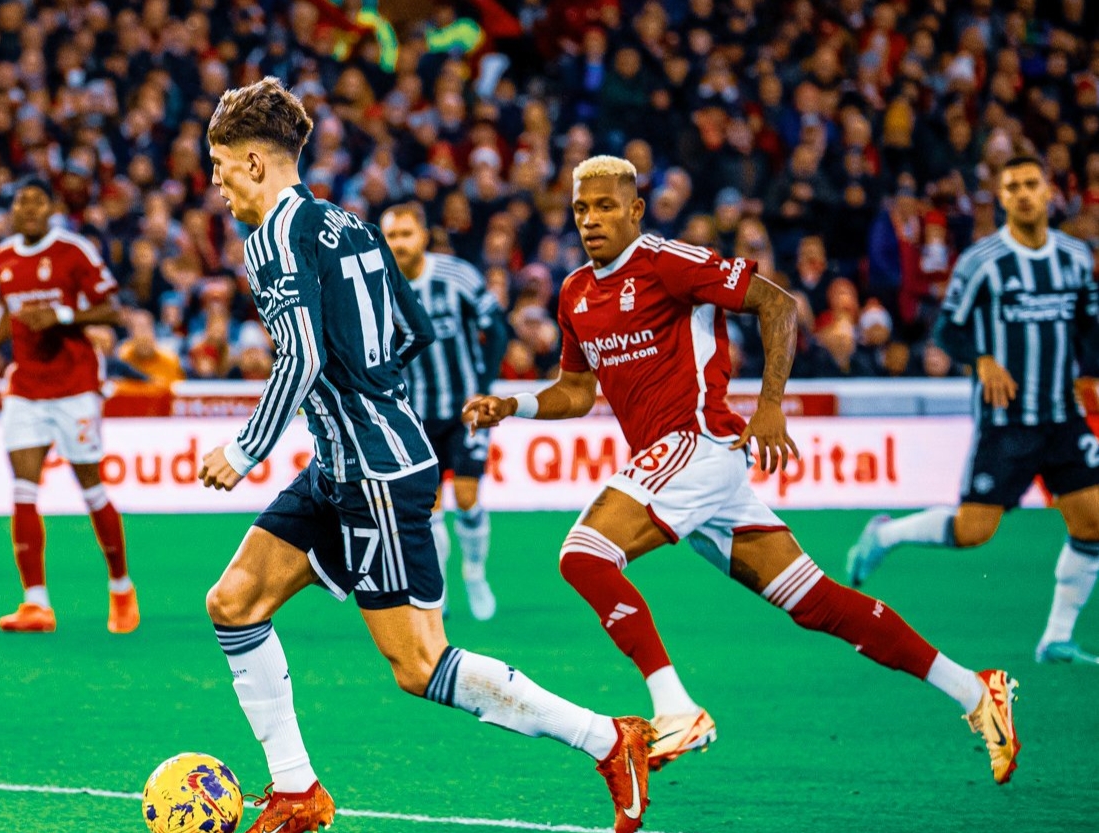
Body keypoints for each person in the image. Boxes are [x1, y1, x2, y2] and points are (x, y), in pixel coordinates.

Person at [196, 79, 655, 833]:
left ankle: (608, 739)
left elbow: (301, 357)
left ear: (252, 161)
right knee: (233, 602)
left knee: (418, 665)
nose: (215, 184)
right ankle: (295, 790)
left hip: (372, 474)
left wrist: (244, 450)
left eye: (218, 167)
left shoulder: (270, 239)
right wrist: (367, 399)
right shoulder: (352, 225)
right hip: (350, 462)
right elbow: (411, 329)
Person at [463, 155, 1022, 785]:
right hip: (687, 466)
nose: (591, 220)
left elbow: (778, 304)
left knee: (584, 556)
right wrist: (513, 405)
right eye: (581, 209)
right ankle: (974, 689)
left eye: (605, 206)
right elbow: (575, 391)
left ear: (636, 210)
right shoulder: (574, 292)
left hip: (696, 443)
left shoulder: (668, 262)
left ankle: (676, 709)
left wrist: (771, 405)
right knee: (815, 602)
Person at [848, 155, 1099, 665]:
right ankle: (885, 535)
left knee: (1093, 520)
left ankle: (1056, 639)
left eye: (1031, 184)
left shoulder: (1075, 256)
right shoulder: (982, 261)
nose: (1023, 194)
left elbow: (1089, 323)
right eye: (1013, 187)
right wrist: (982, 360)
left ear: (1048, 192)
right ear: (1001, 198)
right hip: (1006, 421)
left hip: (1062, 415)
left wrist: (1089, 372)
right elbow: (948, 330)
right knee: (974, 530)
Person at [0, 177, 139, 635]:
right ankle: (36, 603)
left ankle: (121, 588)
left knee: (91, 488)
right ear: (13, 211)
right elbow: (8, 311)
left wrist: (60, 316)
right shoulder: (4, 255)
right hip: (25, 386)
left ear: (52, 208)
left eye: (37, 202)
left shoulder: (73, 251)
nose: (29, 209)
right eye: (21, 202)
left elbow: (112, 310)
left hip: (75, 384)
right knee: (23, 490)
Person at [380, 202, 508, 620]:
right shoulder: (379, 287)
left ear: (423, 236)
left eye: (405, 234)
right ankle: (441, 590)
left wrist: (484, 389)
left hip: (466, 410)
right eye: (391, 236)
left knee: (467, 498)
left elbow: (497, 328)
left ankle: (475, 572)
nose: (398, 243)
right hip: (417, 415)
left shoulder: (457, 276)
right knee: (429, 508)